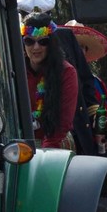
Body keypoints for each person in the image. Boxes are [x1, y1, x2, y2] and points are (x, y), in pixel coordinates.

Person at [21, 12, 79, 150]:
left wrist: (44, 155)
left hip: (54, 145)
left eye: (43, 41)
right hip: (19, 146)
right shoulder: (14, 70)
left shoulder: (66, 72)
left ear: (51, 44)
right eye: (29, 41)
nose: (36, 47)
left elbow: (62, 123)